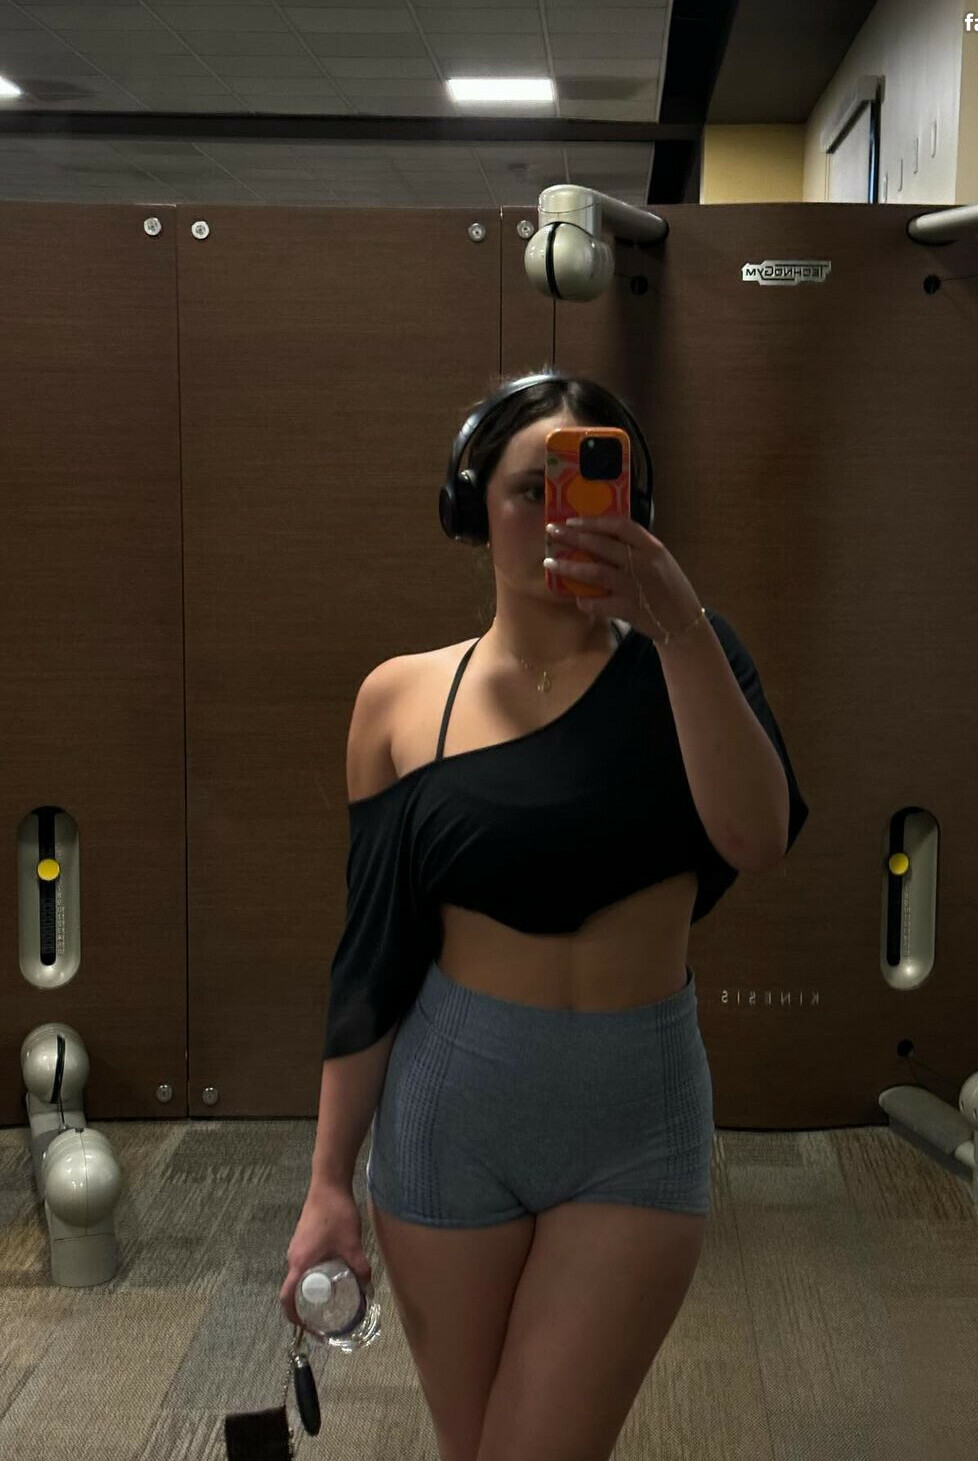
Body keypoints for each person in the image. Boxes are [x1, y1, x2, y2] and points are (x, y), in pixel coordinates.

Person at [280, 370, 809, 1461]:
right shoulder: (400, 701)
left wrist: (677, 625)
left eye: (590, 486)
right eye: (530, 489)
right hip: (451, 1111)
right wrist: (329, 1182)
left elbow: (757, 838)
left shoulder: (695, 659)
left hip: (635, 1113)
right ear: (471, 505)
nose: (559, 518)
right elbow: (372, 955)